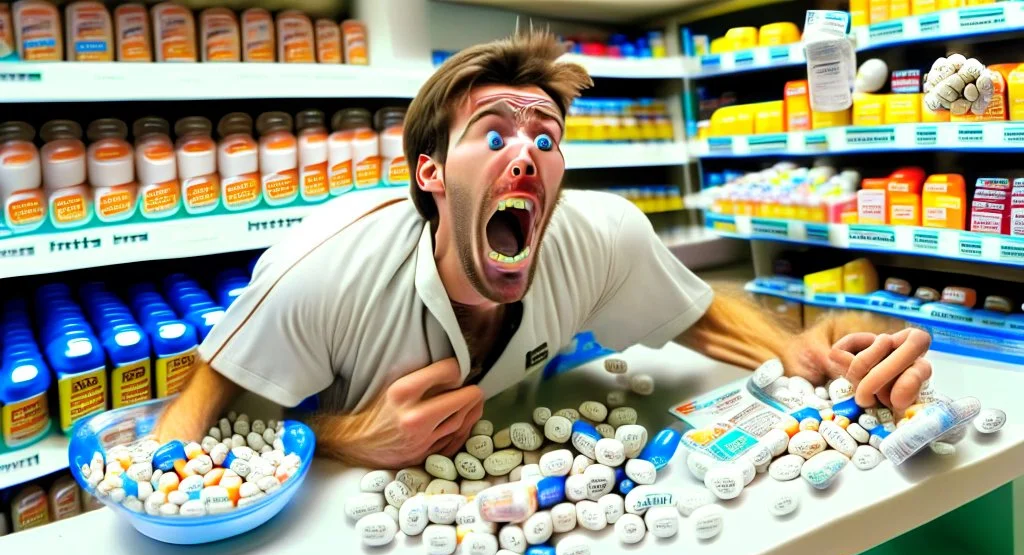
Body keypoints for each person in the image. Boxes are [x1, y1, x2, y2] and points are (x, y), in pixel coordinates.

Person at [155, 31, 931, 468]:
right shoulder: (321, 270)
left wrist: (799, 355)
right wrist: (347, 437)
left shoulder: (599, 234)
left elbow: (700, 315)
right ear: (429, 173)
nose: (525, 155)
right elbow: (187, 437)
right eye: (493, 134)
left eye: (544, 138)